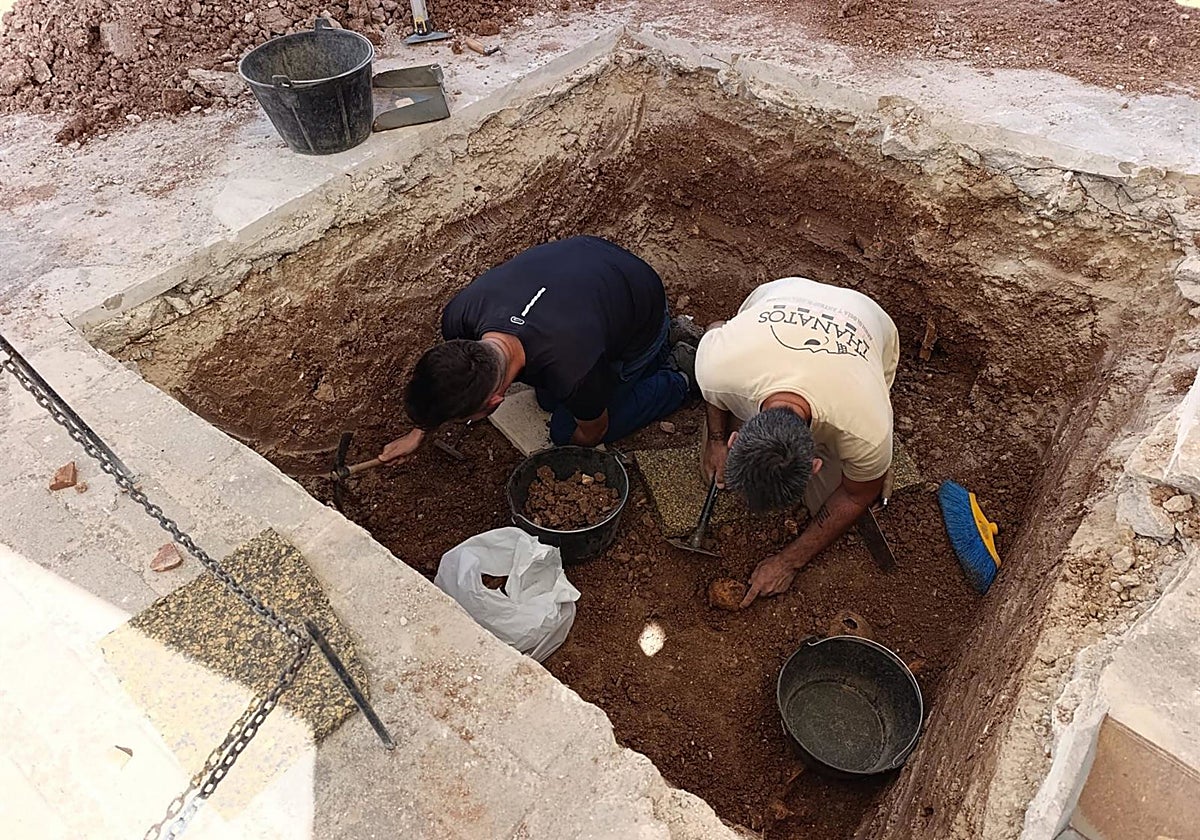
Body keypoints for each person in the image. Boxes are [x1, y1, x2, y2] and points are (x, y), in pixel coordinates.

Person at [378, 236, 699, 463]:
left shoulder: (573, 371)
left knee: (565, 430)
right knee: (548, 398)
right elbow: (443, 380)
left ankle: (680, 372)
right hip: (587, 262)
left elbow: (594, 430)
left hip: (642, 310)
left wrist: (563, 462)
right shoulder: (459, 317)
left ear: (495, 401)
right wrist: (418, 432)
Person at [695, 276, 899, 607]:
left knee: (835, 497)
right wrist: (714, 442)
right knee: (712, 466)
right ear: (735, 439)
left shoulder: (866, 429)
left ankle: (880, 466)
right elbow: (714, 342)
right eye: (726, 442)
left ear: (816, 462)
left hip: (866, 317)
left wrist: (790, 560)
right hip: (782, 293)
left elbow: (855, 495)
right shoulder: (716, 367)